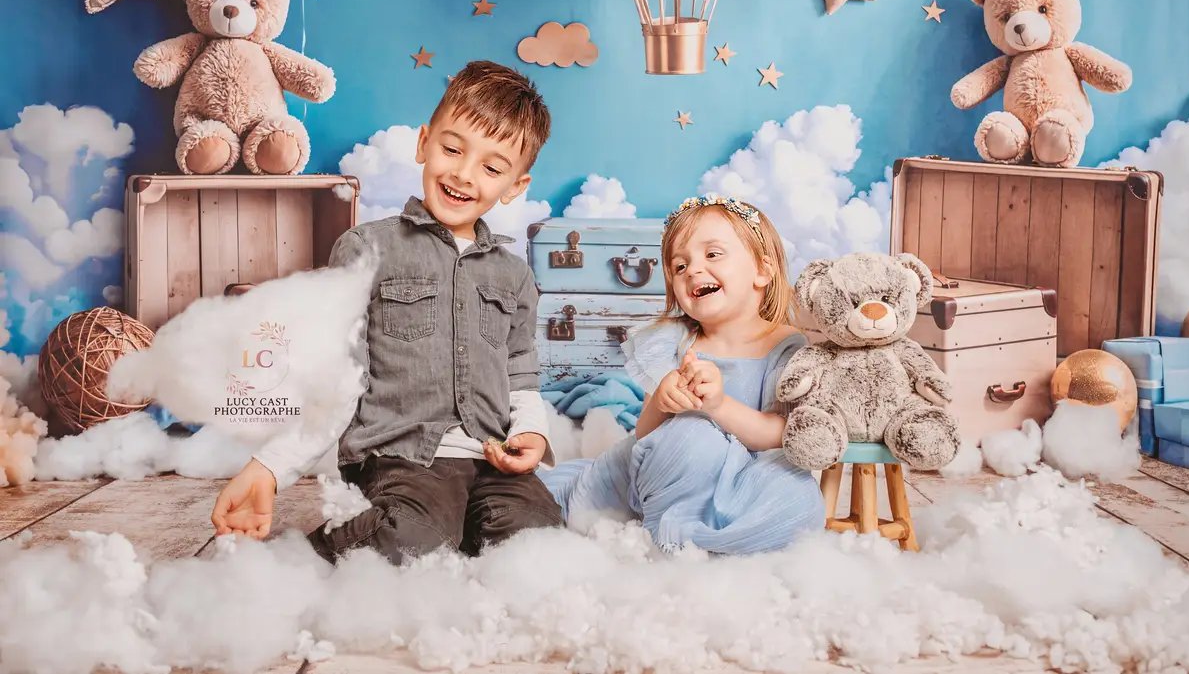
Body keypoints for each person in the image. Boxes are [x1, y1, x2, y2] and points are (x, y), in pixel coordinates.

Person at [210, 60, 564, 563]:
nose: (464, 174)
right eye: (452, 149)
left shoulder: (515, 276)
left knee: (538, 539)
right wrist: (269, 466)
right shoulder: (366, 250)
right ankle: (308, 560)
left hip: (492, 462)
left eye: (491, 166)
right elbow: (337, 379)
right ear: (423, 143)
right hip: (403, 459)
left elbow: (521, 372)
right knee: (412, 536)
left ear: (515, 185)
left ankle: (465, 535)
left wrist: (530, 432)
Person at [538, 194, 825, 554]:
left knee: (799, 499)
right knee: (690, 434)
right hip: (674, 471)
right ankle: (674, 531)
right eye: (679, 266)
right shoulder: (674, 340)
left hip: (746, 475)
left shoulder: (784, 345)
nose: (693, 270)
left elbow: (780, 434)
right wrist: (662, 400)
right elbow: (644, 435)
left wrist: (719, 406)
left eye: (713, 254)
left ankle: (711, 534)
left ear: (762, 271)